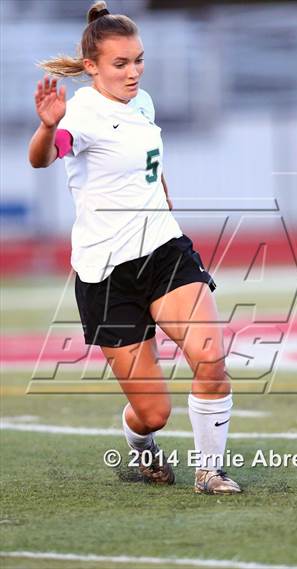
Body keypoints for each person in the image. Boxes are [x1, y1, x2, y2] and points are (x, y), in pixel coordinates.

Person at [28, 1, 241, 495]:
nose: (134, 71)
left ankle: (210, 472)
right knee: (153, 413)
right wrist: (45, 127)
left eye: (138, 60)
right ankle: (141, 443)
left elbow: (150, 167)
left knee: (211, 362)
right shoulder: (79, 114)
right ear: (92, 67)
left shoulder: (142, 103)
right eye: (121, 64)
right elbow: (43, 159)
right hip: (105, 273)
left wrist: (164, 204)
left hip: (164, 252)